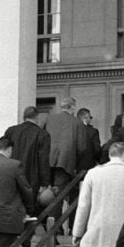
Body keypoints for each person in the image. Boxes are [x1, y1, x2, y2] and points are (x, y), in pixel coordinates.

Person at [4, 107, 51, 247]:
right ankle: (26, 244)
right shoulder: (42, 134)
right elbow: (43, 160)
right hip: (32, 178)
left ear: (23, 117)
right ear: (36, 118)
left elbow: (4, 152)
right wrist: (45, 183)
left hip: (11, 176)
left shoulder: (11, 131)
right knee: (30, 212)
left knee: (11, 209)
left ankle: (10, 246)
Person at [44, 96, 86, 233]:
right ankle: (54, 228)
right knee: (59, 196)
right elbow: (81, 148)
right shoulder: (77, 123)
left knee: (49, 193)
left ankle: (50, 224)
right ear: (73, 107)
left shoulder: (49, 119)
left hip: (48, 161)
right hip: (66, 163)